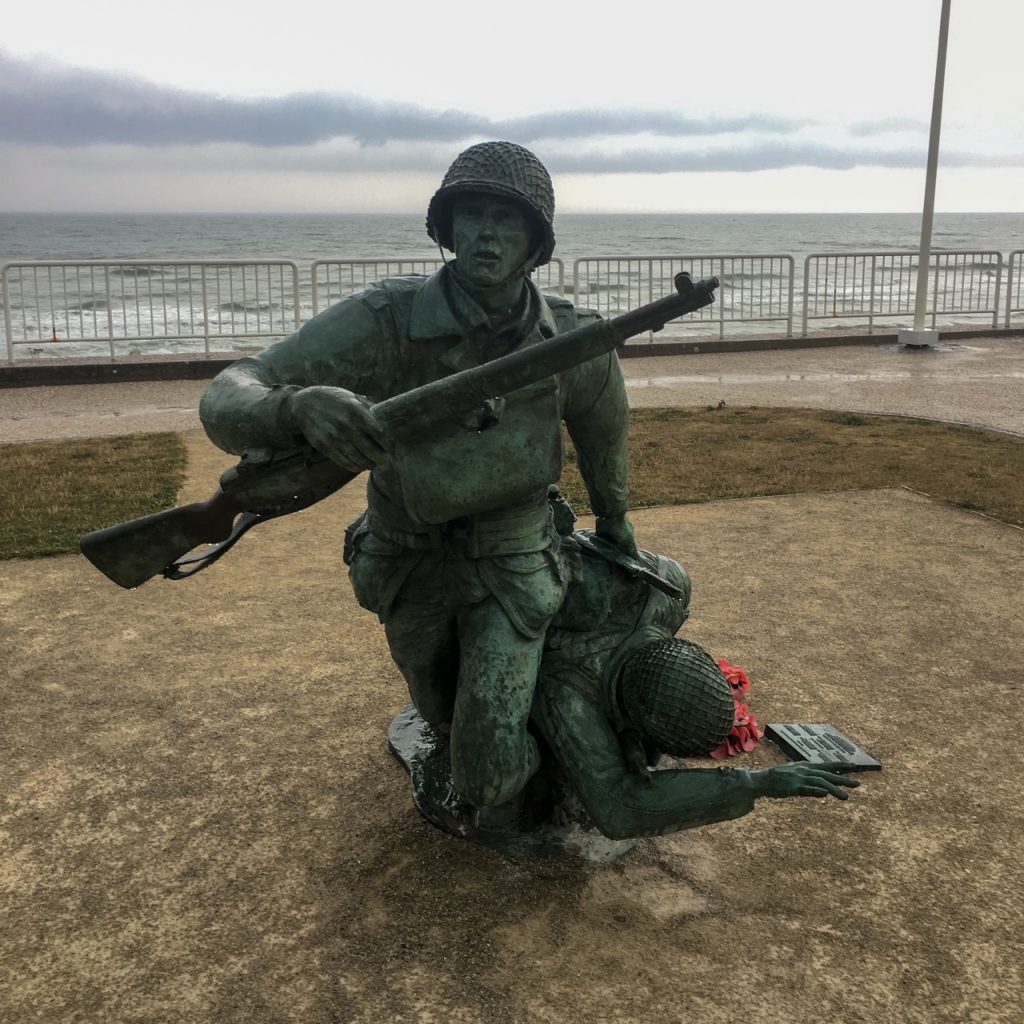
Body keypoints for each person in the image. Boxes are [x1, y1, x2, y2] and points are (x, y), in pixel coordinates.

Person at [199, 141, 636, 818]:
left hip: (514, 564)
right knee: (437, 718)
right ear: (448, 226)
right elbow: (230, 393)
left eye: (507, 219)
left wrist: (616, 525)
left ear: (534, 242)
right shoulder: (385, 320)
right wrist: (296, 406)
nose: (487, 233)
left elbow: (604, 439)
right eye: (473, 214)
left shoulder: (573, 339)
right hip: (408, 562)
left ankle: (550, 756)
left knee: (488, 780)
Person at [530, 537, 859, 840]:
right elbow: (620, 809)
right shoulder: (565, 692)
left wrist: (630, 735)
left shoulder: (669, 587)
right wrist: (760, 782)